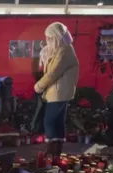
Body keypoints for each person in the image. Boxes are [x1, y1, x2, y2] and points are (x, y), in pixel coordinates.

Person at [34, 22, 79, 157]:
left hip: (58, 93)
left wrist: (39, 86)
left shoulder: (64, 51)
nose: (47, 41)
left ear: (56, 37)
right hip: (59, 92)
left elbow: (53, 73)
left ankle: (51, 151)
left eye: (49, 38)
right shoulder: (62, 49)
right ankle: (56, 152)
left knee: (49, 121)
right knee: (57, 121)